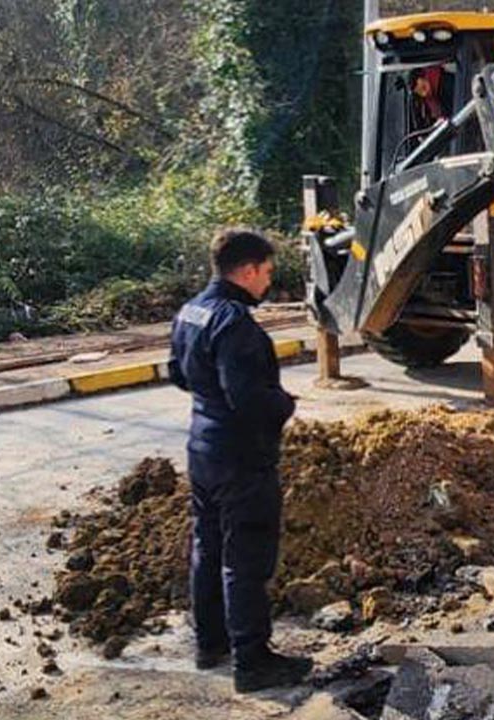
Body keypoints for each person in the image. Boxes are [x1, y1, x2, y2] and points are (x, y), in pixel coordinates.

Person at [168, 228, 312, 692]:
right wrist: (284, 405)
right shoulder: (235, 324)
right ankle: (253, 662)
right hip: (241, 459)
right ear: (247, 270)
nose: (269, 283)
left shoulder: (191, 311)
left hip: (202, 451)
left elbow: (178, 374)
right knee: (246, 559)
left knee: (207, 548)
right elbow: (248, 398)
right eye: (267, 273)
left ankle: (210, 644)